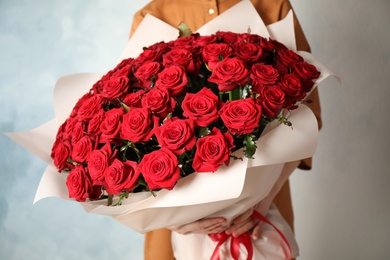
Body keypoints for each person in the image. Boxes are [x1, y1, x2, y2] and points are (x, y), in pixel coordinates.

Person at [129, 0, 322, 259]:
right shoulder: (152, 16)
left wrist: (264, 196)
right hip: (177, 231)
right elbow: (129, 130)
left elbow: (308, 113)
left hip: (259, 216)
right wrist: (169, 218)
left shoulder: (272, 6)